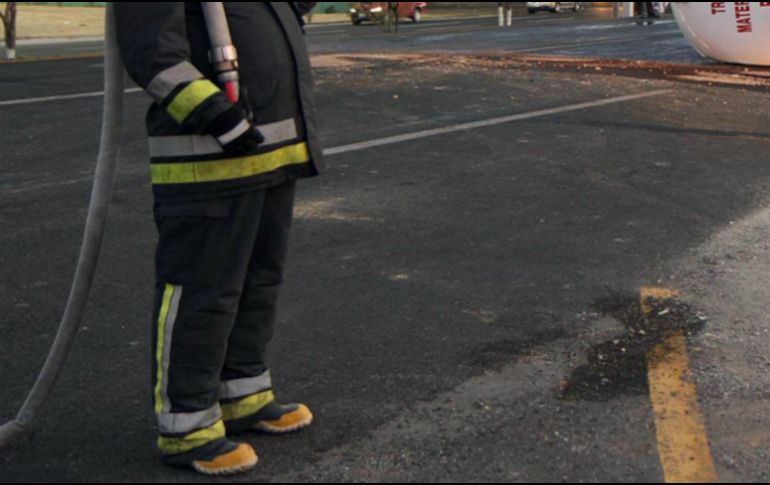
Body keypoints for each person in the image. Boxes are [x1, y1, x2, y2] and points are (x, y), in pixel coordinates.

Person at [113, 2, 322, 475]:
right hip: (207, 159)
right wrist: (214, 114)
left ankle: (243, 395)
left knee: (257, 281)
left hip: (270, 153)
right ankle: (187, 426)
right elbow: (153, 53)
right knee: (201, 292)